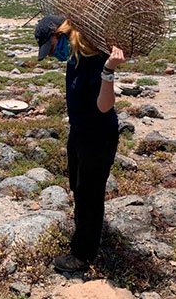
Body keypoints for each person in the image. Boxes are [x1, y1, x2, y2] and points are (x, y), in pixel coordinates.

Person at [34, 15, 126, 272]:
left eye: (51, 49)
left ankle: (82, 255)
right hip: (80, 132)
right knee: (77, 184)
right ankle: (85, 232)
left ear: (59, 35)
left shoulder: (94, 58)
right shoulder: (74, 56)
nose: (53, 56)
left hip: (98, 136)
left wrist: (108, 71)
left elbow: (105, 106)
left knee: (90, 194)